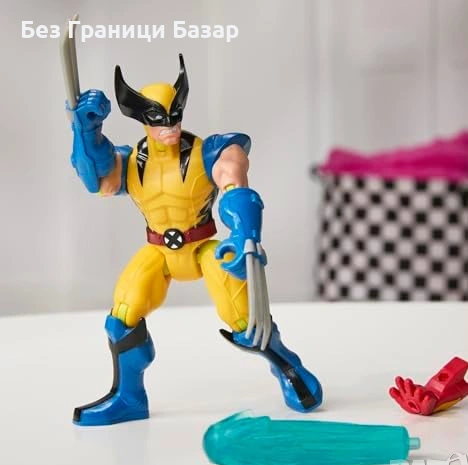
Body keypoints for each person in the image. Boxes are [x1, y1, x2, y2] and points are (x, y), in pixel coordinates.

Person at [67, 54, 322, 426]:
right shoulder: (131, 162)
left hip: (204, 246)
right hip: (159, 251)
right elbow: (96, 179)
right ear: (141, 119)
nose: (169, 126)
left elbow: (233, 177)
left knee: (246, 320)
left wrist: (245, 233)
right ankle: (128, 397)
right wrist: (86, 132)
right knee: (122, 313)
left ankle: (287, 367)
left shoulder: (209, 151)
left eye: (175, 115)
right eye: (158, 119)